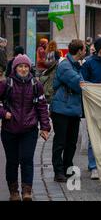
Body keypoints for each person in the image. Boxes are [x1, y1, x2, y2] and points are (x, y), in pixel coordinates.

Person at [0, 54, 50, 201]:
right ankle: (13, 191)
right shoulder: (6, 84)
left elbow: (42, 107)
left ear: (30, 68)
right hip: (9, 129)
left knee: (27, 159)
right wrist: (4, 113)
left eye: (26, 66)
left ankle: (27, 191)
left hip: (30, 130)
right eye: (20, 66)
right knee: (12, 161)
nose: (23, 69)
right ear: (15, 68)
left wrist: (45, 127)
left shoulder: (36, 84)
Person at [51, 39, 86, 183]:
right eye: (85, 49)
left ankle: (68, 168)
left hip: (73, 110)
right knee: (60, 142)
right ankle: (58, 171)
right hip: (61, 109)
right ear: (79, 51)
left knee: (71, 142)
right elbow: (79, 84)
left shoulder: (75, 65)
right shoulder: (65, 65)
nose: (86, 51)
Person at [81, 37, 101, 180]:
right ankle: (93, 166)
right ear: (99, 48)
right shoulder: (89, 63)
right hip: (93, 104)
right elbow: (83, 82)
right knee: (93, 135)